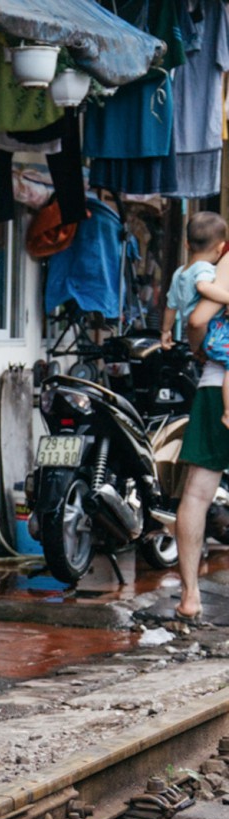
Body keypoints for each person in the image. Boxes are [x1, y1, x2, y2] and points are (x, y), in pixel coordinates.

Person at [174, 238, 229, 622]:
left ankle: (191, 596)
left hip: (216, 385)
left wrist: (199, 349)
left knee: (196, 494)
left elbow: (196, 320)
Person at [160, 211, 229, 429]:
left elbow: (171, 306)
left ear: (187, 245)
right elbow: (203, 291)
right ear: (220, 248)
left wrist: (165, 331)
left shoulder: (180, 272)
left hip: (204, 336)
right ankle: (228, 411)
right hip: (215, 330)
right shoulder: (205, 270)